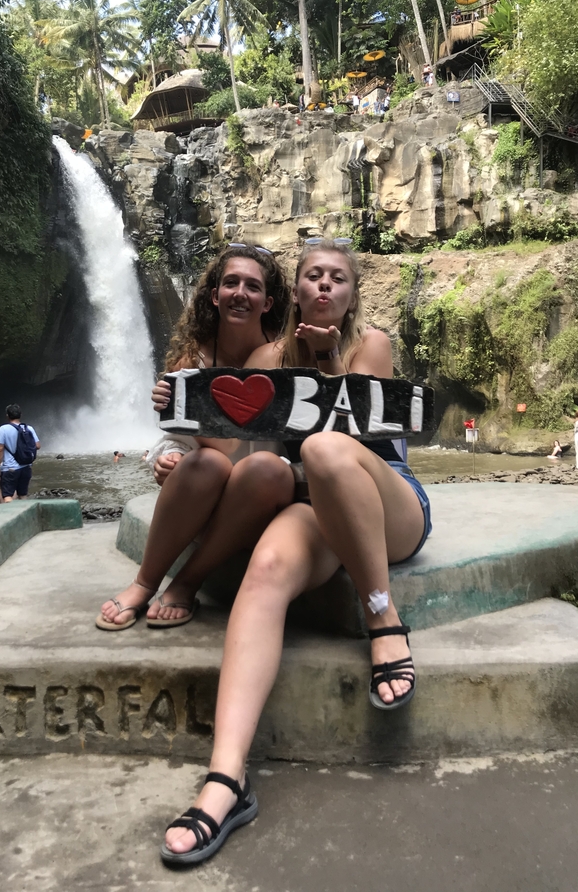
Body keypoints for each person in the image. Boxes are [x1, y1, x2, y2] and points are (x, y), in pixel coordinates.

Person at [160, 239, 432, 865]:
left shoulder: (373, 345)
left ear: (352, 292)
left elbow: (363, 433)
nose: (326, 286)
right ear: (297, 291)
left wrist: (330, 362)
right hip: (312, 511)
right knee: (267, 570)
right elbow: (239, 451)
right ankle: (225, 781)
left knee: (324, 450)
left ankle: (383, 617)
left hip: (387, 505)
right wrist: (183, 442)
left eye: (339, 277)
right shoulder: (263, 357)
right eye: (314, 276)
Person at [96, 245, 292, 631]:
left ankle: (187, 581)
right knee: (206, 462)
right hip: (206, 490)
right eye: (230, 283)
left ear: (268, 302)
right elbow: (172, 442)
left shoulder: (284, 357)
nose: (240, 293)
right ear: (214, 295)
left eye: (252, 287)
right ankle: (144, 584)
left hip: (262, 491)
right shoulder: (191, 360)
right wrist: (166, 459)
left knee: (264, 469)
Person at [0, 404, 40, 502]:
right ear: (20, 415)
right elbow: (37, 446)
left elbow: (0, 449)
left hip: (10, 468)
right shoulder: (28, 428)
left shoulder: (3, 429)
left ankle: (9, 515)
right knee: (23, 495)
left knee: (7, 496)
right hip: (26, 467)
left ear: (7, 415)